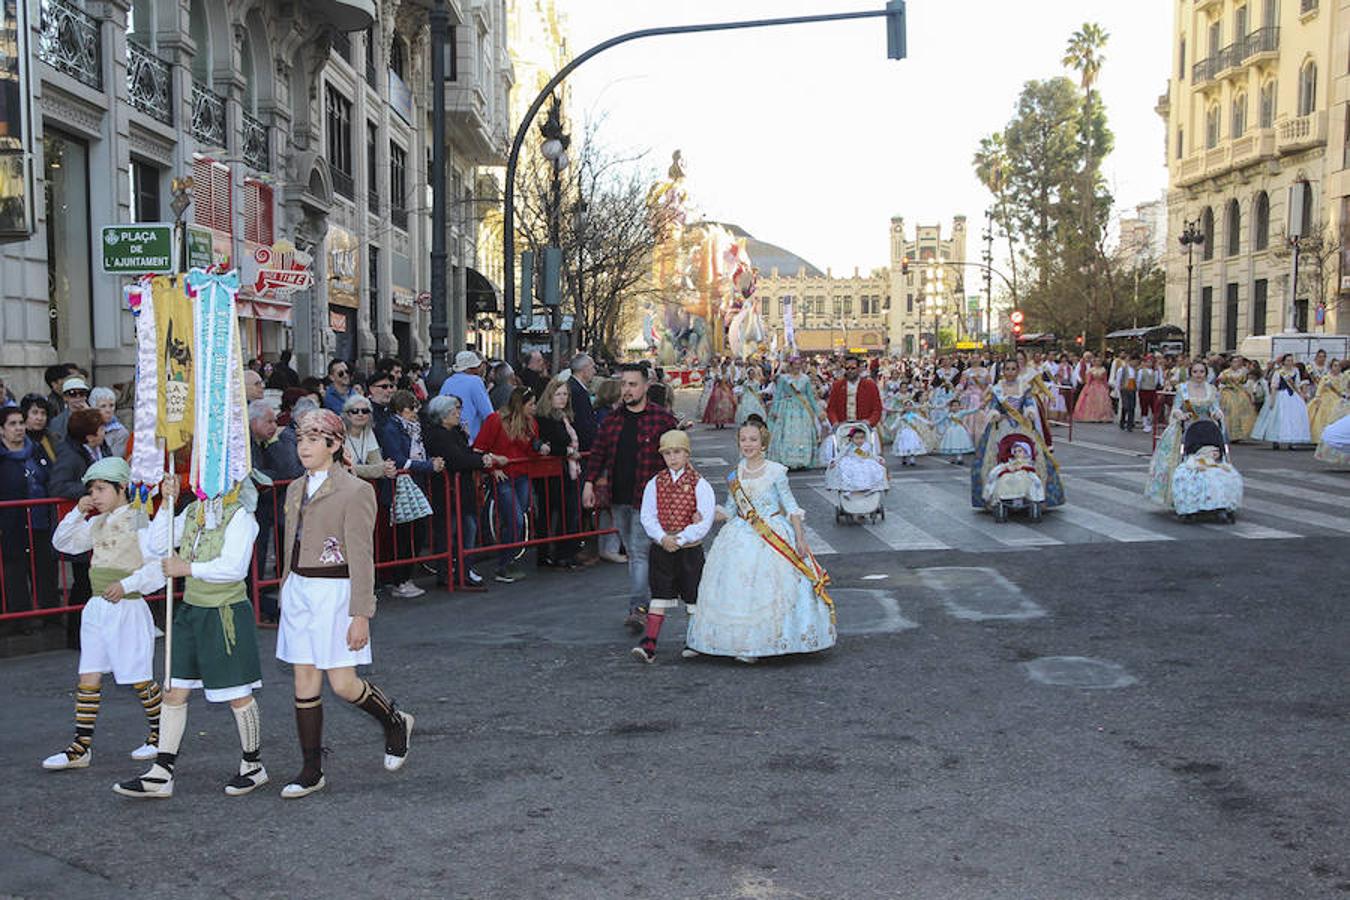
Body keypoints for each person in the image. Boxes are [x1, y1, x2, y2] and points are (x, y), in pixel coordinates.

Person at [275, 410, 414, 799]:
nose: (304, 446)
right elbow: (290, 544)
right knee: (304, 679)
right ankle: (311, 769)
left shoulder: (356, 491)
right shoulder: (294, 488)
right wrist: (287, 589)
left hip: (336, 593)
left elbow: (362, 556)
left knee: (342, 684)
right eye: (301, 438)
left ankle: (394, 720)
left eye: (313, 439)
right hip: (300, 589)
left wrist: (361, 614)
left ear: (334, 445)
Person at [112, 471, 267, 799]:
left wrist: (188, 569)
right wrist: (167, 503)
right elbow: (158, 544)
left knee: (237, 692)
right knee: (174, 690)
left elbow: (234, 568)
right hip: (191, 610)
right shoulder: (194, 511)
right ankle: (161, 772)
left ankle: (253, 765)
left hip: (224, 613)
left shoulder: (241, 517)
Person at [42, 457, 163, 771]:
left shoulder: (139, 518)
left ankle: (161, 734)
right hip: (97, 607)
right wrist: (77, 512)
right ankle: (81, 747)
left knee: (138, 677)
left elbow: (157, 565)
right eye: (91, 490)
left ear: (122, 487)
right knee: (89, 675)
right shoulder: (96, 520)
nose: (94, 496)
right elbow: (63, 543)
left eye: (100, 488)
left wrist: (128, 584)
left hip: (129, 606)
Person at [684, 420, 834, 663]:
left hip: (772, 534)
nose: (748, 444)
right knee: (737, 590)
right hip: (739, 535)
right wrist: (707, 515)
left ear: (763, 442)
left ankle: (762, 643)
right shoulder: (735, 474)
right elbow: (731, 510)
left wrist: (800, 538)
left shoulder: (776, 471)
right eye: (743, 439)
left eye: (753, 439)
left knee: (769, 590)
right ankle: (734, 643)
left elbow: (792, 507)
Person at [582, 365, 680, 631]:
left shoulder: (661, 420)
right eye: (624, 384)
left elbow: (677, 457)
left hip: (647, 499)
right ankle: (647, 600)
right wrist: (589, 484)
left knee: (638, 552)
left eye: (633, 384)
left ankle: (638, 607)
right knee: (634, 550)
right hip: (619, 497)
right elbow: (598, 453)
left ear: (646, 386)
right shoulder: (612, 420)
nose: (627, 389)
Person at [632, 429, 714, 664]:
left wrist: (681, 538)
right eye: (667, 453)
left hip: (689, 548)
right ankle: (649, 642)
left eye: (677, 452)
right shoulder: (655, 482)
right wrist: (661, 537)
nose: (672, 458)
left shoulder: (700, 484)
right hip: (663, 547)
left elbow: (706, 517)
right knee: (659, 592)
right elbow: (648, 515)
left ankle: (694, 640)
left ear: (687, 453)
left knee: (693, 594)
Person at [423, 395, 504, 591]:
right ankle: (451, 572)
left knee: (467, 529)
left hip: (461, 490)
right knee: (451, 532)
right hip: (449, 491)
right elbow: (457, 459)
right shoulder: (437, 435)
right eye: (455, 410)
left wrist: (484, 458)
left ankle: (463, 569)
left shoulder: (455, 433)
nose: (459, 413)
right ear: (443, 415)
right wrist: (482, 460)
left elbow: (465, 453)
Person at [971, 360, 1065, 510]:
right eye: (1007, 369)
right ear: (1003, 371)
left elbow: (1028, 403)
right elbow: (994, 406)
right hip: (1001, 427)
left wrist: (1029, 412)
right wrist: (995, 414)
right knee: (995, 457)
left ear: (1017, 371)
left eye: (1013, 369)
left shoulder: (1024, 387)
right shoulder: (997, 389)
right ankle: (997, 496)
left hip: (1022, 426)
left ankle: (1033, 494)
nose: (1010, 372)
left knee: (1031, 454)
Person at [473, 387, 545, 584]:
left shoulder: (531, 424)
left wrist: (540, 449)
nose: (534, 408)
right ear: (520, 405)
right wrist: (493, 469)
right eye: (531, 404)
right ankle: (504, 563)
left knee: (515, 518)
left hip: (521, 475)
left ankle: (508, 559)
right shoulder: (495, 420)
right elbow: (479, 449)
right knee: (515, 519)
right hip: (503, 477)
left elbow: (531, 450)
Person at [383, 390, 444, 597]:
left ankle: (406, 577)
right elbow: (398, 459)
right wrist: (427, 466)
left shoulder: (414, 428)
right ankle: (401, 580)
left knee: (416, 532)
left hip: (415, 482)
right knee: (405, 535)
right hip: (402, 485)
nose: (415, 412)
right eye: (411, 408)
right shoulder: (392, 428)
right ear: (400, 410)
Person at [0, 406, 57, 613]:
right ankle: (19, 617)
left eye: (21, 423)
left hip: (39, 522)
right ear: (2, 429)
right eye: (12, 424)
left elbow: (49, 477)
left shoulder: (37, 449)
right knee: (14, 571)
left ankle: (50, 613)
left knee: (45, 569)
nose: (19, 428)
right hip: (10, 524)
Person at [1145, 361, 1225, 506]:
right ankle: (1182, 493)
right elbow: (1176, 407)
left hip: (1206, 429)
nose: (1199, 375)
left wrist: (1217, 413)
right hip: (1186, 427)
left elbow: (1215, 407)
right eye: (1195, 372)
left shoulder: (1211, 389)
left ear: (1206, 373)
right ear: (1191, 373)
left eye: (1202, 371)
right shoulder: (1183, 389)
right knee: (1181, 460)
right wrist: (1180, 414)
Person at [536, 375, 584, 570]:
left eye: (565, 394)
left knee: (568, 512)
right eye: (558, 394)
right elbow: (550, 445)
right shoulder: (546, 418)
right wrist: (567, 451)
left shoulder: (564, 417)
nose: (563, 398)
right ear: (550, 396)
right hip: (551, 473)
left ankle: (564, 552)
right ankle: (549, 554)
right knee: (551, 513)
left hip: (567, 470)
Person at [767, 357, 823, 470]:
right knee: (788, 433)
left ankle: (803, 460)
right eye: (795, 364)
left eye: (799, 364)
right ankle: (787, 459)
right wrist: (774, 410)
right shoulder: (783, 378)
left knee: (802, 434)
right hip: (787, 409)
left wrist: (818, 412)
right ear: (790, 365)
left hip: (802, 410)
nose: (797, 366)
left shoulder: (806, 379)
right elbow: (777, 395)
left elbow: (810, 397)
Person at [1251, 354, 1312, 449]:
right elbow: (1274, 387)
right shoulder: (1279, 372)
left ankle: (1291, 440)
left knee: (1293, 418)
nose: (1290, 362)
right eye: (1288, 360)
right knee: (1279, 418)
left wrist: (1301, 396)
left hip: (1293, 397)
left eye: (1291, 360)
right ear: (1283, 362)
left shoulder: (1295, 371)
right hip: (1281, 396)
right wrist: (1272, 400)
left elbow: (1297, 384)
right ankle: (1276, 439)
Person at [439, 350, 494, 443]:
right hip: (469, 438)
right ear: (470, 369)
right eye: (477, 366)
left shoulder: (447, 382)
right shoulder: (475, 381)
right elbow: (488, 414)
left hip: (447, 437)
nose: (479, 369)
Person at [827, 425, 889, 492]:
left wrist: (878, 459)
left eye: (862, 438)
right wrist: (834, 461)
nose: (859, 440)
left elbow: (871, 455)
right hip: (851, 461)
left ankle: (869, 486)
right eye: (857, 438)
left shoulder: (866, 445)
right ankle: (848, 488)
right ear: (851, 439)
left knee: (872, 469)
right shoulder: (849, 446)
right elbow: (840, 455)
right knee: (848, 470)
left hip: (864, 460)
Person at [1216, 356, 1257, 442]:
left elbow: (1246, 385)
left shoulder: (1242, 372)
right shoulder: (1225, 373)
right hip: (1228, 393)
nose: (1236, 364)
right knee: (1231, 412)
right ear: (1230, 363)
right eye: (1234, 362)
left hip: (1240, 393)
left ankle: (1241, 433)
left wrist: (1251, 395)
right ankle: (1230, 434)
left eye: (1237, 362)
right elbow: (1220, 384)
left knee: (1243, 412)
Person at [48, 374, 92, 443]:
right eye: (72, 393)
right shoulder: (57, 422)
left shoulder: (94, 416)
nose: (78, 397)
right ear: (65, 397)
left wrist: (91, 416)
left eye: (82, 393)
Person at [89, 387, 130, 458]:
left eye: (111, 405)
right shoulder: (86, 428)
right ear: (93, 408)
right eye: (103, 406)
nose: (108, 410)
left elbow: (113, 462)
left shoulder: (121, 433)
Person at [934, 398, 977, 464]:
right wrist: (932, 424)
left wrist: (979, 408)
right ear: (950, 407)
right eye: (953, 406)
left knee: (959, 443)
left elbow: (971, 411)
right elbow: (940, 420)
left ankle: (960, 457)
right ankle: (953, 457)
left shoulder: (961, 412)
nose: (955, 407)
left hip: (960, 430)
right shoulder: (948, 414)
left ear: (960, 406)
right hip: (951, 430)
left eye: (957, 405)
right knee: (952, 443)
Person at [892, 401, 934, 467]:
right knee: (904, 445)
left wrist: (929, 423)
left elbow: (921, 419)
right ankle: (904, 458)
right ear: (904, 407)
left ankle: (912, 459)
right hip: (903, 432)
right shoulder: (901, 416)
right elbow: (896, 423)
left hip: (912, 432)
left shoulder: (913, 415)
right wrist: (891, 428)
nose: (908, 407)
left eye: (910, 406)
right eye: (906, 406)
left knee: (912, 445)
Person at [1072, 357, 1114, 422]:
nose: (1098, 363)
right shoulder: (1091, 370)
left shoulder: (1103, 370)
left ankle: (1102, 416)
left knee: (1102, 401)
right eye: (1096, 361)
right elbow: (1088, 380)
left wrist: (1106, 388)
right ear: (1094, 362)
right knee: (1090, 401)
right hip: (1092, 386)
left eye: (1099, 361)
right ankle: (1091, 416)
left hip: (1101, 387)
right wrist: (1087, 388)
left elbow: (1105, 380)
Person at [21, 393, 57, 461]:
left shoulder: (53, 439)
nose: (40, 418)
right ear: (25, 414)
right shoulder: (18, 439)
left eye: (43, 413)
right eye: (35, 412)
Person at [700, 364, 737, 429]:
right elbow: (715, 383)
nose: (724, 369)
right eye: (723, 368)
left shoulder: (728, 375)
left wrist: (731, 386)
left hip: (726, 390)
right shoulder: (718, 374)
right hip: (718, 390)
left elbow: (730, 383)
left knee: (725, 407)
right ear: (721, 368)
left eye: (725, 368)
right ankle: (717, 422)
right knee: (717, 407)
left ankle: (723, 422)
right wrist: (718, 380)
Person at [1113, 354, 1140, 431]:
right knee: (1126, 406)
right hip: (1125, 389)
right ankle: (1124, 421)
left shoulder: (1136, 370)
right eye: (1134, 362)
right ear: (1130, 361)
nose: (1135, 364)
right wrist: (1117, 390)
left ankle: (1129, 424)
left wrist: (1136, 388)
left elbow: (1137, 380)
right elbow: (1118, 380)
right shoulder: (1122, 369)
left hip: (1132, 389)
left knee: (1132, 406)